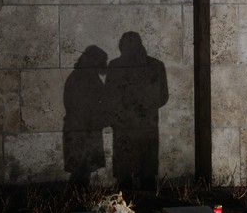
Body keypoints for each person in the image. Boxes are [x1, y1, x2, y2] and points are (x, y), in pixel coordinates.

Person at [105, 32, 169, 190]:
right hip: (131, 125)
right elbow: (110, 96)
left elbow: (163, 95)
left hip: (141, 125)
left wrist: (138, 108)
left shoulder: (154, 65)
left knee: (143, 170)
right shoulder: (116, 66)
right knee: (130, 173)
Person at [63, 45, 109, 186]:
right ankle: (77, 201)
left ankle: (78, 200)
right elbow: (80, 105)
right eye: (102, 61)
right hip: (82, 129)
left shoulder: (84, 75)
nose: (104, 65)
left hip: (85, 128)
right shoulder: (83, 77)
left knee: (83, 170)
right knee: (81, 169)